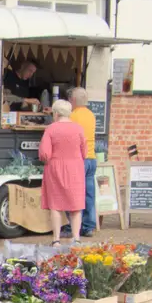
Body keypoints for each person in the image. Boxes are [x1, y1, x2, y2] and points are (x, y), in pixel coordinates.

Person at [38, 99, 87, 242]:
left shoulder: (51, 129)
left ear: (57, 113)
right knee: (76, 205)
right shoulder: (78, 128)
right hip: (75, 168)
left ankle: (56, 239)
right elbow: (84, 151)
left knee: (56, 205)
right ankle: (76, 238)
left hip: (55, 168)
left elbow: (44, 154)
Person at [68, 87, 98, 236]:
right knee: (89, 194)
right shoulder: (91, 115)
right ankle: (89, 226)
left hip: (79, 159)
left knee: (74, 194)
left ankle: (72, 226)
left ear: (72, 101)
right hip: (92, 158)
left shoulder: (73, 115)